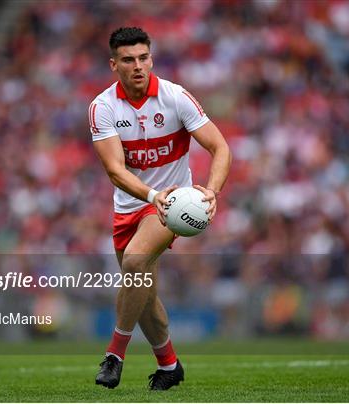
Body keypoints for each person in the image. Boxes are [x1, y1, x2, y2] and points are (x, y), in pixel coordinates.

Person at [89, 27, 232, 390]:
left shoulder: (176, 97)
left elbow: (221, 148)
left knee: (136, 264)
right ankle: (169, 366)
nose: (137, 66)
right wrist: (151, 195)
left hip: (172, 205)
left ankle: (114, 355)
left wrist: (211, 192)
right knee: (143, 290)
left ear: (151, 59)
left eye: (143, 58)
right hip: (132, 205)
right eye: (128, 60)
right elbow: (115, 171)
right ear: (113, 65)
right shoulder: (103, 107)